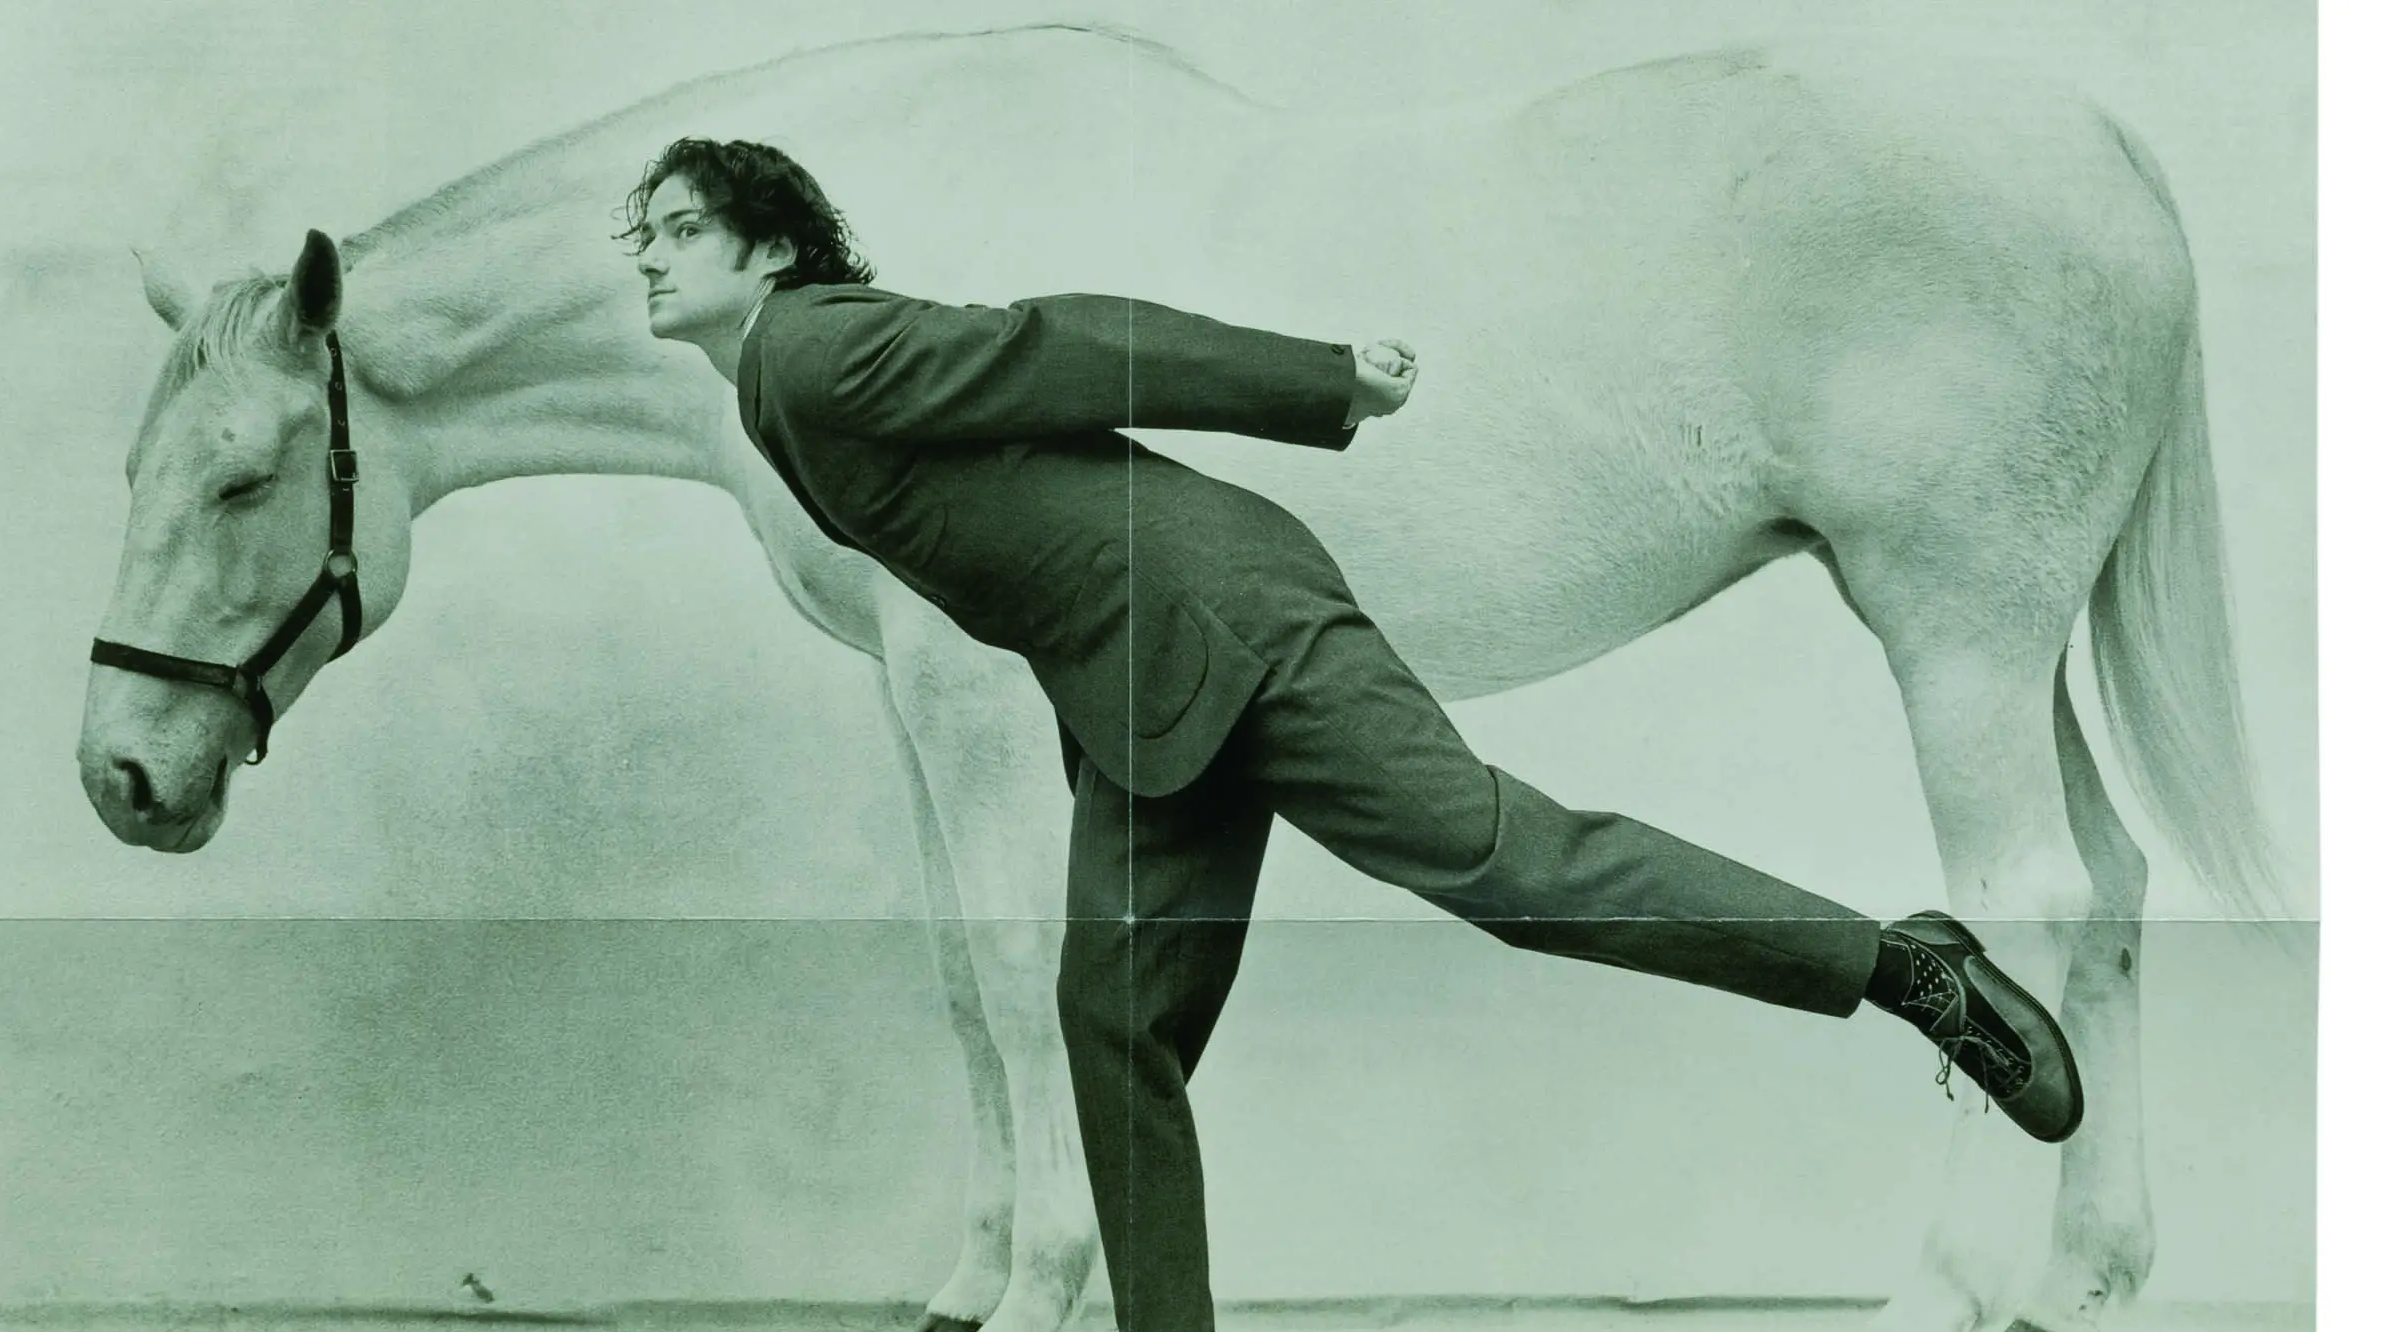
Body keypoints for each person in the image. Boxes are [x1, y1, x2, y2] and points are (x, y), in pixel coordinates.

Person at [620, 138, 2080, 1332]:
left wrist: (1317, 380)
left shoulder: (805, 346)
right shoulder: (779, 392)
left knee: (1517, 869)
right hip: (1142, 687)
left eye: (678, 227)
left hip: (1224, 626)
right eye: (644, 232)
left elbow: (1055, 347)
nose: (647, 253)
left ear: (768, 250)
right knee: (1114, 1019)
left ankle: (1909, 967)